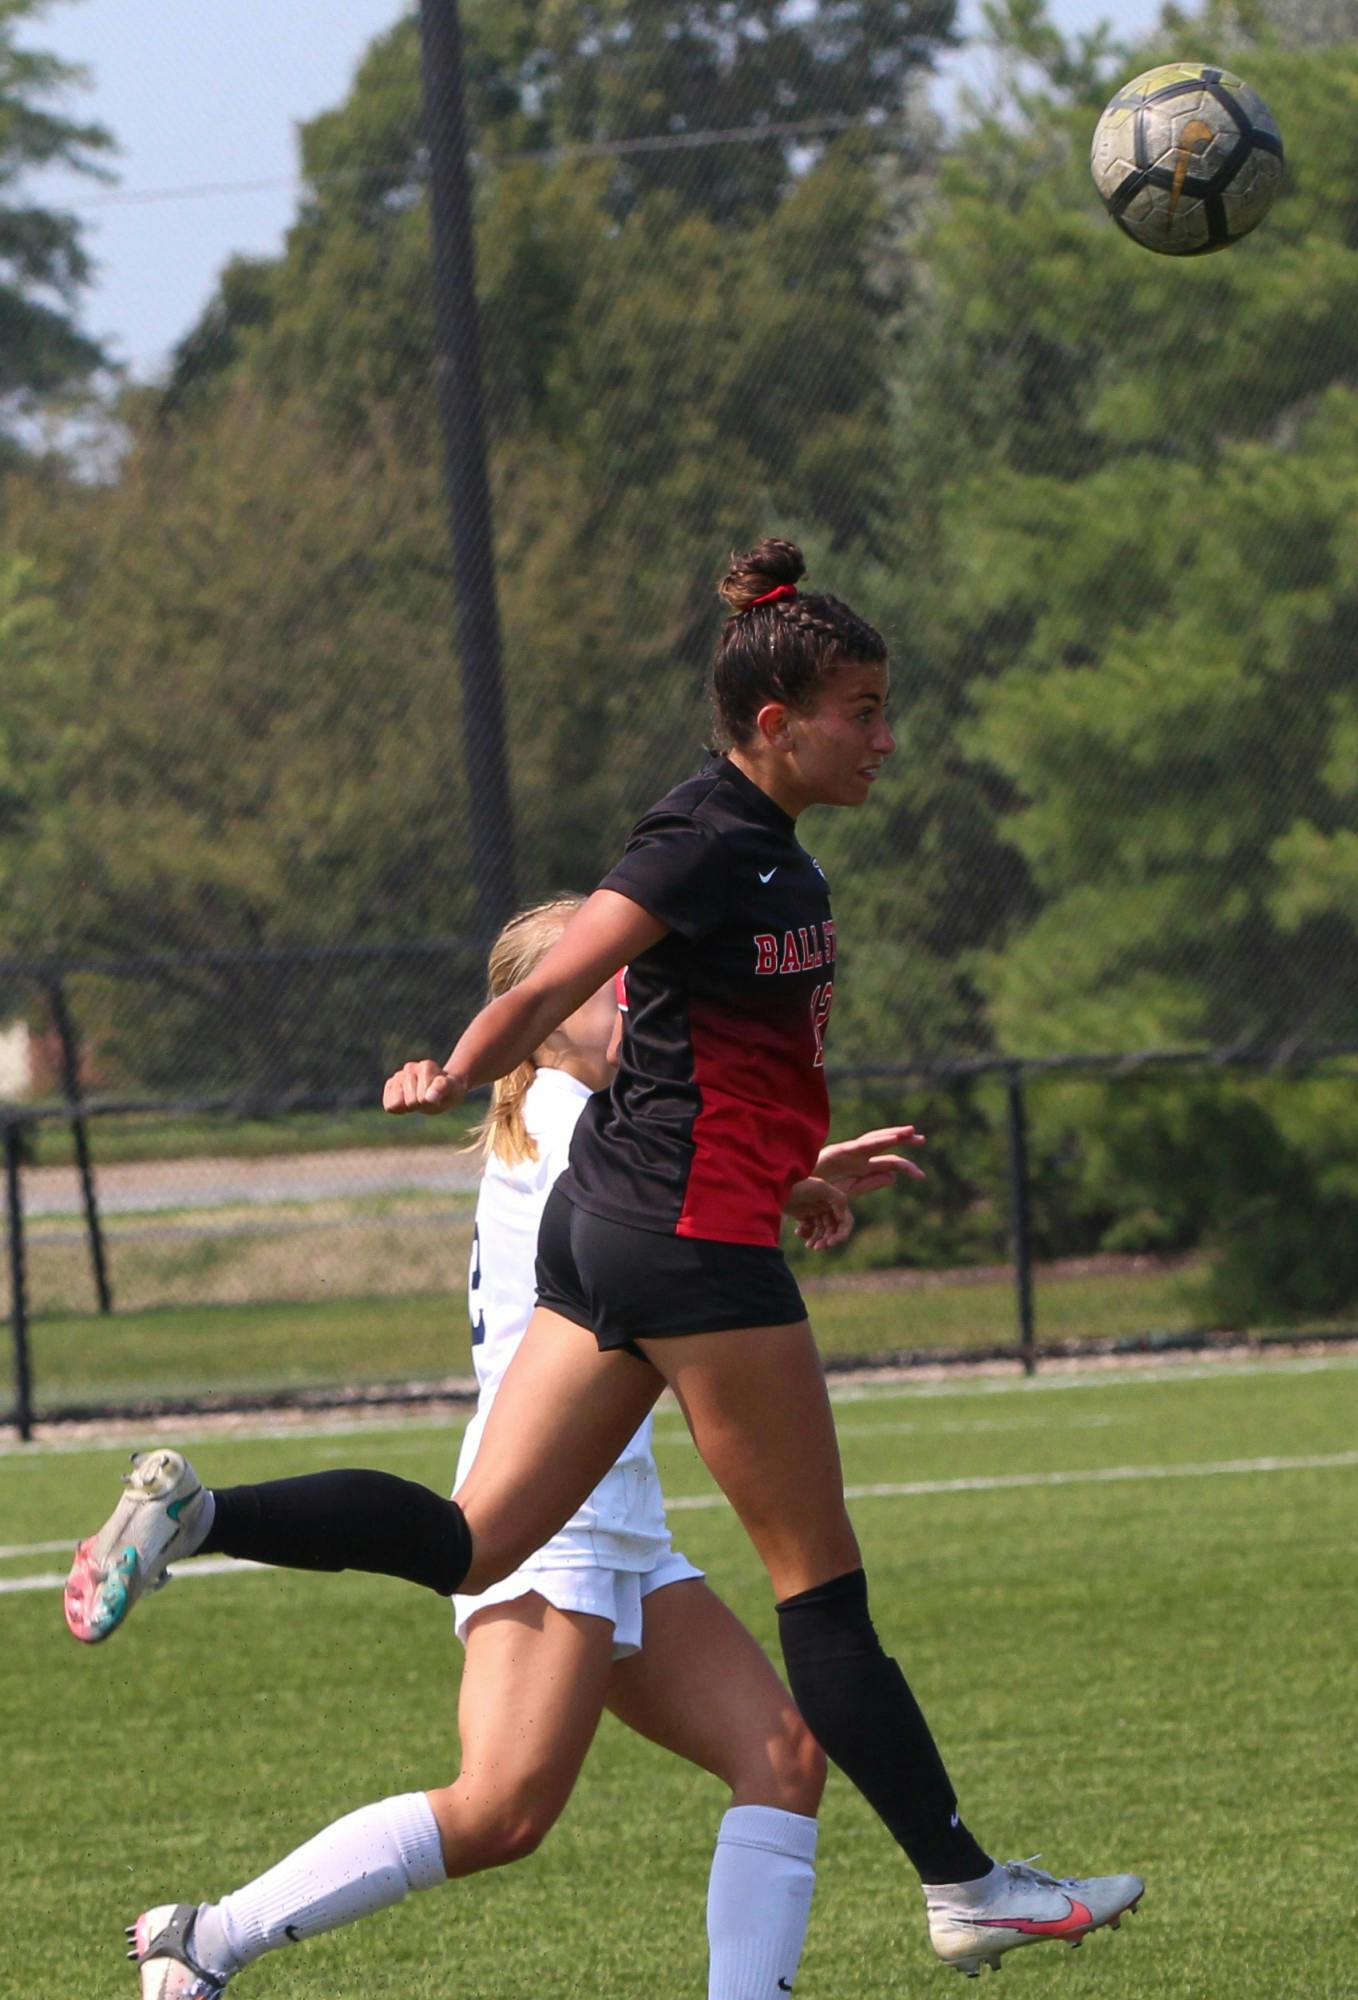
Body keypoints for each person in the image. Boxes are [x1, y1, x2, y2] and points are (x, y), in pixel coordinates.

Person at [68, 539, 1144, 1983]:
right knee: (816, 1592)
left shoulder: (764, 851)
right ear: (775, 720)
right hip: (683, 1254)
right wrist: (455, 1069)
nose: (885, 738)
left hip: (641, 1231)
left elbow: (693, 1075)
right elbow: (564, 975)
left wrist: (792, 1174)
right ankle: (963, 1884)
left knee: (479, 1547)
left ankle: (204, 1519)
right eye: (863, 710)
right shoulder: (702, 838)